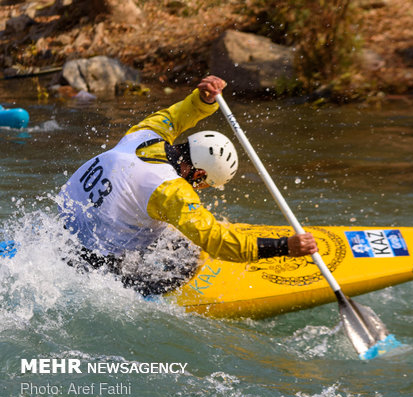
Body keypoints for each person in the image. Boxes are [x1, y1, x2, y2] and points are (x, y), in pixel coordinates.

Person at [58, 75, 317, 295]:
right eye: (204, 184)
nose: (199, 189)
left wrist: (203, 99)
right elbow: (217, 242)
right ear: (200, 172)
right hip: (97, 264)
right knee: (190, 255)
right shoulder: (171, 191)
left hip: (61, 230)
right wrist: (285, 247)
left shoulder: (146, 134)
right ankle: (140, 296)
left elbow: (179, 114)